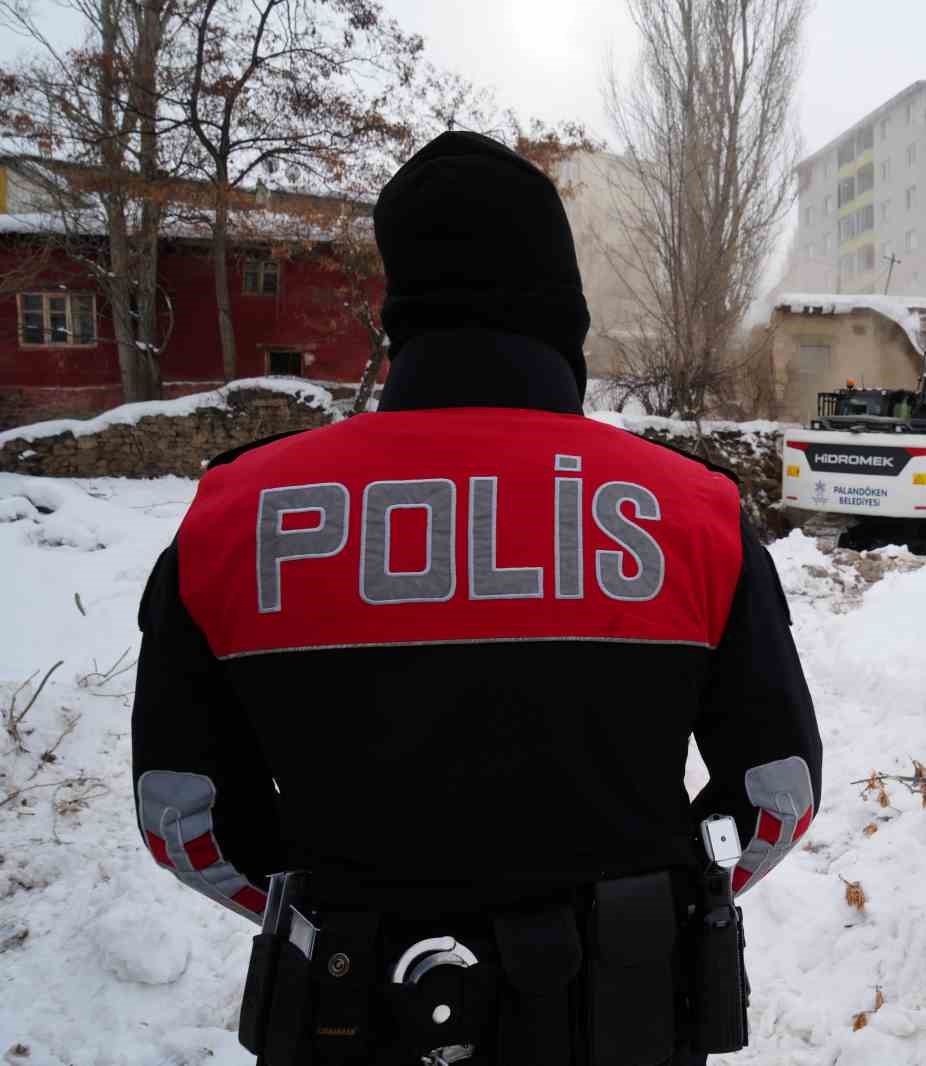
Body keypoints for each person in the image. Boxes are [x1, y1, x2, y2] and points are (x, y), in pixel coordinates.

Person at [130, 131, 822, 1066]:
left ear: (398, 309)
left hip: (350, 1016)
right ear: (562, 309)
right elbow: (778, 789)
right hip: (624, 1019)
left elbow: (185, 816)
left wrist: (323, 909)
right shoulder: (692, 512)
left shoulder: (235, 513)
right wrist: (669, 901)